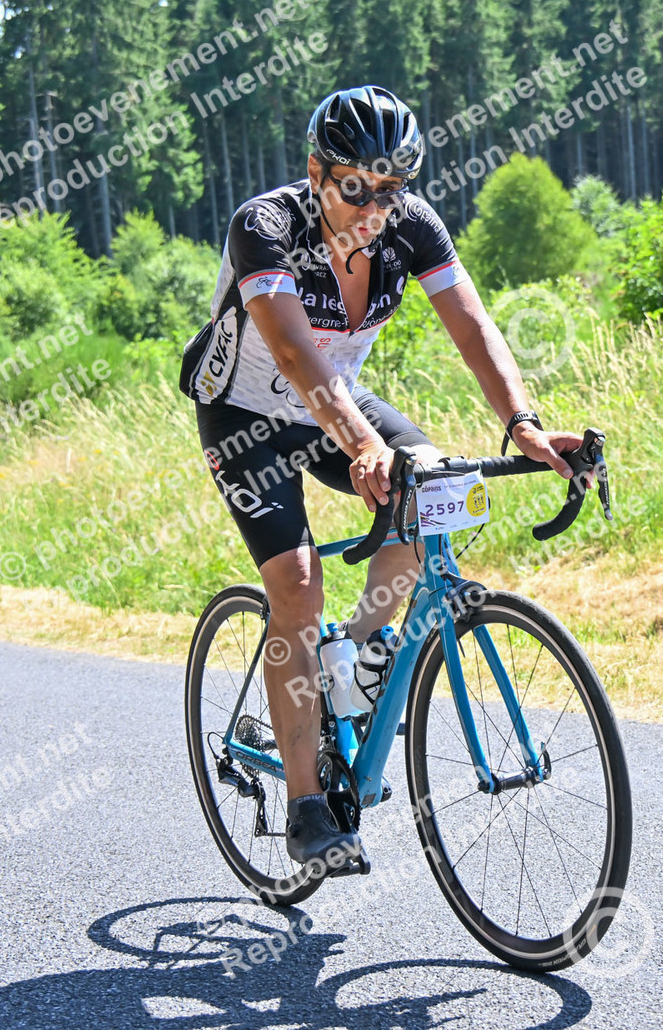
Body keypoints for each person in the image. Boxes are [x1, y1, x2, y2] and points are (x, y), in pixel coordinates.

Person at [179, 85, 581, 869]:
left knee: (433, 492)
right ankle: (307, 808)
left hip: (337, 403)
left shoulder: (411, 225)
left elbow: (472, 326)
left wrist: (523, 424)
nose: (373, 208)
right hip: (247, 415)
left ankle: (356, 662)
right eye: (354, 188)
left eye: (390, 189)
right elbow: (293, 353)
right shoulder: (266, 226)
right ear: (316, 173)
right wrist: (362, 444)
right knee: (297, 587)